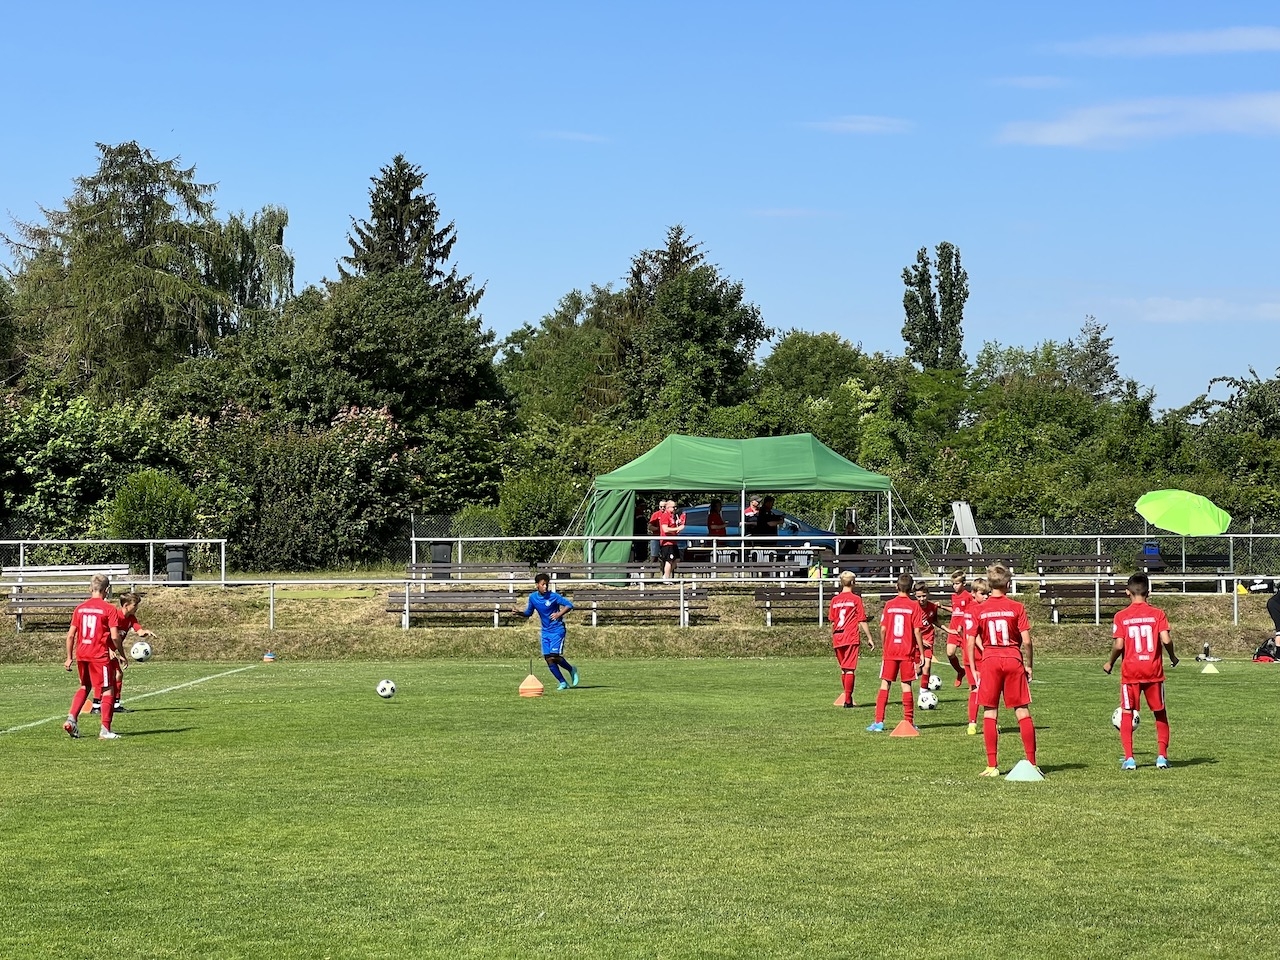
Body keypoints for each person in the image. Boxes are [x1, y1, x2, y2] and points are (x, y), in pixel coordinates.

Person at [1104, 573, 1178, 770]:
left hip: (1131, 672)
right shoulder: (1158, 614)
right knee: (1160, 713)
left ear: (1127, 592)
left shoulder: (1121, 616)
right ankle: (1161, 757)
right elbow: (1166, 640)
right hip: (1153, 671)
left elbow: (1119, 645)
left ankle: (1129, 759)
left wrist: (1110, 662)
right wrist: (1172, 657)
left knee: (1127, 712)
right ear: (1149, 592)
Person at [972, 564, 1037, 777]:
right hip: (1013, 659)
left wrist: (974, 668)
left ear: (989, 585)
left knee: (990, 712)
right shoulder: (1016, 607)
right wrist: (1029, 665)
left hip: (990, 661)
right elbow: (1027, 641)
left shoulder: (980, 609)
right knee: (1022, 711)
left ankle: (992, 766)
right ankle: (1032, 763)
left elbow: (971, 640)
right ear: (1008, 584)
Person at [63, 575, 123, 740]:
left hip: (82, 654)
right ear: (107, 590)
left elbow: (70, 635)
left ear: (90, 588)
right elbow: (115, 636)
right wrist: (121, 653)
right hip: (99, 655)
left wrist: (69, 657)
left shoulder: (80, 608)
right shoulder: (109, 609)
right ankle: (105, 730)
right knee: (108, 689)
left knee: (85, 686)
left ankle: (71, 719)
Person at [867, 573, 925, 733]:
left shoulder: (889, 605)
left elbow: (883, 629)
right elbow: (917, 631)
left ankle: (879, 722)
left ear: (896, 586)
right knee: (906, 685)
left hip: (891, 650)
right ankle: (909, 721)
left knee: (885, 683)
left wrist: (885, 646)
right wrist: (921, 653)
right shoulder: (914, 606)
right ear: (912, 588)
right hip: (907, 651)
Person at [513, 573, 579, 691]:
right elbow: (529, 613)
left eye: (547, 584)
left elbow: (569, 605)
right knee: (548, 658)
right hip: (545, 631)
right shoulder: (533, 597)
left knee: (554, 656)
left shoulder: (553, 596)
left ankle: (571, 669)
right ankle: (563, 682)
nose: (545, 587)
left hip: (557, 630)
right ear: (537, 585)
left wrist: (559, 614)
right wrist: (519, 613)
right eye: (543, 584)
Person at [96, 592, 154, 715]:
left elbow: (139, 630)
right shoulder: (115, 616)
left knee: (117, 674)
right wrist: (109, 649)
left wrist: (145, 632)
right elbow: (102, 634)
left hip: (112, 651)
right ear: (126, 605)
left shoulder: (131, 618)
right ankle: (97, 705)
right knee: (108, 676)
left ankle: (114, 704)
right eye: (135, 605)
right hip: (102, 648)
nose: (137, 608)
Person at [829, 571, 874, 708]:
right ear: (853, 582)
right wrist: (869, 638)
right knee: (849, 669)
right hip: (850, 636)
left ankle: (847, 696)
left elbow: (832, 621)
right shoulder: (856, 599)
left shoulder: (834, 600)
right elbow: (862, 620)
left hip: (837, 636)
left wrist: (834, 636)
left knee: (844, 669)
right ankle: (848, 700)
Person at [961, 576, 989, 735]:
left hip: (968, 655)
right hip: (978, 656)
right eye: (982, 594)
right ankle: (986, 722)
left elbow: (964, 630)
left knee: (974, 688)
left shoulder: (968, 609)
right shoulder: (978, 609)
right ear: (973, 593)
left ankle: (972, 723)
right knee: (983, 689)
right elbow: (975, 635)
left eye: (987, 593)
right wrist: (985, 649)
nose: (986, 597)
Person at [943, 570, 971, 686]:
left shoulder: (968, 596)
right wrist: (943, 607)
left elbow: (970, 612)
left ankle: (972, 683)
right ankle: (960, 671)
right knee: (950, 653)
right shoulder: (954, 596)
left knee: (967, 657)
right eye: (953, 584)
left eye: (957, 583)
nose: (955, 586)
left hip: (964, 630)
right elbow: (956, 610)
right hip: (953, 629)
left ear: (964, 583)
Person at [914, 583, 940, 688]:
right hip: (915, 641)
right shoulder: (913, 607)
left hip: (928, 639)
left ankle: (924, 691)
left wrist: (948, 630)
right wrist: (920, 640)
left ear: (928, 594)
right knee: (918, 670)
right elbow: (909, 627)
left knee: (927, 666)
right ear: (915, 596)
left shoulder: (932, 607)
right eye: (919, 596)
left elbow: (935, 621)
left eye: (924, 596)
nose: (922, 599)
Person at [659, 499, 685, 581]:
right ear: (668, 507)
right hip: (667, 542)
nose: (675, 508)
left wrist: (677, 529)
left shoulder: (672, 516)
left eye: (675, 507)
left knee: (677, 559)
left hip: (673, 541)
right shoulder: (665, 515)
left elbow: (672, 528)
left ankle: (666, 575)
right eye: (673, 507)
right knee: (669, 560)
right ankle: (666, 578)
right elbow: (665, 529)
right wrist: (677, 528)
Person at [647, 499, 668, 568]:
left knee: (666, 557)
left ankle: (664, 572)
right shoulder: (655, 514)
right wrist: (658, 529)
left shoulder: (669, 514)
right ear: (659, 507)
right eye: (661, 507)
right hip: (656, 537)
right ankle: (651, 572)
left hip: (666, 538)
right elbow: (650, 527)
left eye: (664, 506)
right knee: (654, 556)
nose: (662, 508)